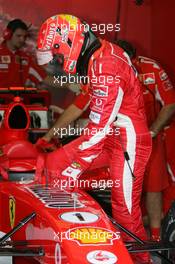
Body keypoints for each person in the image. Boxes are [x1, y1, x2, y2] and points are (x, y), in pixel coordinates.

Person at [36, 14, 152, 263]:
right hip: (109, 136)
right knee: (53, 165)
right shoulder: (98, 55)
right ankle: (73, 242)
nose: (59, 61)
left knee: (125, 212)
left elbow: (98, 128)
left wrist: (75, 170)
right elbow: (86, 113)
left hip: (127, 140)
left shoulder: (105, 64)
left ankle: (143, 259)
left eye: (57, 55)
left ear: (68, 43)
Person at [117, 40, 175, 241]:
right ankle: (126, 238)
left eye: (131, 63)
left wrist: (152, 131)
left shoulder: (151, 68)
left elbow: (170, 103)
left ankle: (157, 240)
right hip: (120, 139)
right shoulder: (107, 69)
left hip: (150, 138)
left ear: (134, 58)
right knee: (122, 187)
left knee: (154, 186)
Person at [0, 19, 46, 88]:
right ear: (7, 34)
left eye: (24, 37)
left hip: (18, 98)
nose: (22, 40)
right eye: (18, 36)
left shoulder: (25, 58)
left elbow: (43, 78)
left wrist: (67, 83)